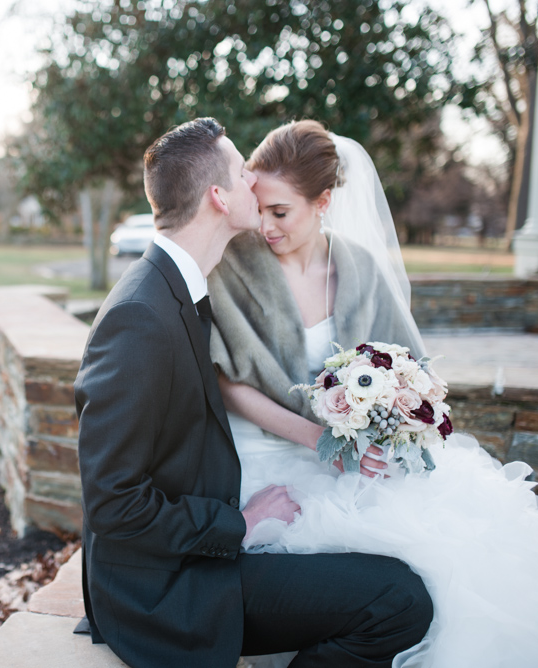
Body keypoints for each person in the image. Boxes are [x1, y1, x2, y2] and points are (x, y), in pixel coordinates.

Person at [74, 117, 433, 668]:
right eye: (243, 173)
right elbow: (112, 504)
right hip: (167, 593)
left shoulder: (180, 288)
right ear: (219, 197)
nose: (254, 182)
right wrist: (238, 524)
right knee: (400, 600)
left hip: (193, 555)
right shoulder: (140, 318)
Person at [208, 119, 538, 667]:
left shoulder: (361, 269)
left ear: (323, 201)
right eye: (261, 208)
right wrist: (314, 435)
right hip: (266, 454)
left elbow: (409, 372)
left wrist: (383, 425)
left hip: (353, 459)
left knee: (449, 560)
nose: (267, 225)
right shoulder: (236, 265)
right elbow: (226, 380)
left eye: (282, 212)